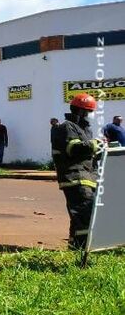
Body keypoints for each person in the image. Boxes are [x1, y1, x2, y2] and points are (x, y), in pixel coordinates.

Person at [51, 93, 105, 250]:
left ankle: (75, 247)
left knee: (80, 216)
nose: (90, 115)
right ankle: (82, 251)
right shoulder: (67, 127)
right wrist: (95, 144)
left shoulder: (84, 129)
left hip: (87, 177)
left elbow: (89, 152)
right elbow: (73, 148)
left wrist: (102, 148)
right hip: (75, 177)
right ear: (80, 111)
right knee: (84, 215)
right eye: (88, 112)